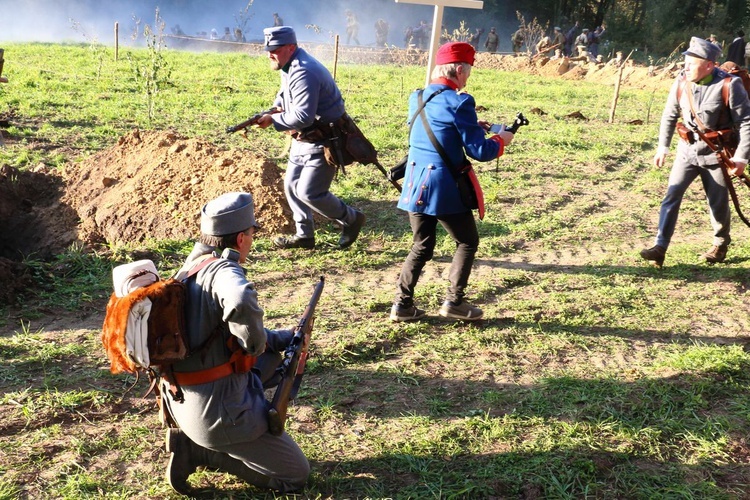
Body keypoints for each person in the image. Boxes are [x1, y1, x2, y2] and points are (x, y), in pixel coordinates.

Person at [160, 192, 310, 495]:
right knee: (296, 476)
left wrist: (283, 337)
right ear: (241, 238)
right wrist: (255, 345)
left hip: (182, 402)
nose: (252, 240)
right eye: (252, 234)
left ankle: (195, 438)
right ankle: (202, 452)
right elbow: (240, 300)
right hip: (217, 416)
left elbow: (217, 333)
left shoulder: (192, 267)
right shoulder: (224, 271)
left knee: (272, 359)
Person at [390, 42, 515, 322]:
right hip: (443, 188)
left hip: (415, 184)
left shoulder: (418, 97)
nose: (467, 77)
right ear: (459, 69)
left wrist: (471, 125)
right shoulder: (461, 102)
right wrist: (501, 139)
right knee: (467, 242)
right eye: (467, 71)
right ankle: (454, 303)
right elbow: (480, 152)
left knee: (421, 245)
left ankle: (401, 305)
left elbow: (438, 127)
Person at [639, 37, 750, 267]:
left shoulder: (730, 85)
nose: (686, 67)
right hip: (686, 152)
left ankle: (720, 244)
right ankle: (660, 246)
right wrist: (663, 146)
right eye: (685, 62)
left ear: (709, 65)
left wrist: (741, 157)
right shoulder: (682, 82)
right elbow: (669, 115)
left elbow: (747, 122)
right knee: (672, 195)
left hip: (717, 155)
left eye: (692, 62)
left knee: (717, 202)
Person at [254, 26, 366, 250]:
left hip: (323, 140)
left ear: (290, 47)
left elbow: (303, 116)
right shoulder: (289, 66)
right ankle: (304, 236)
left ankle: (352, 219)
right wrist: (274, 109)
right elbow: (285, 96)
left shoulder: (304, 71)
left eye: (274, 49)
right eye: (269, 49)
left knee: (310, 192)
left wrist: (273, 121)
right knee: (291, 185)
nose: (270, 54)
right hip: (303, 138)